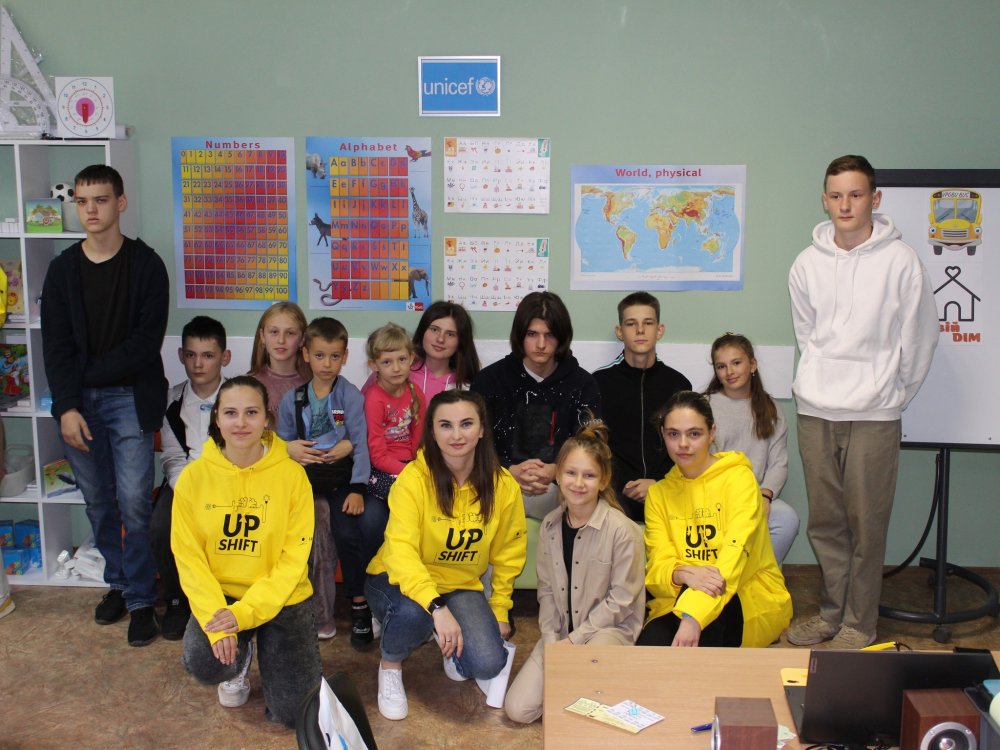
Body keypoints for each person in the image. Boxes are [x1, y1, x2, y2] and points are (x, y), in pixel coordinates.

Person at [786, 155, 938, 649]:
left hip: (875, 414)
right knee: (826, 522)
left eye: (855, 195)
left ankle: (859, 623)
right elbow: (808, 337)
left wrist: (891, 394)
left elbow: (920, 339)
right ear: (824, 200)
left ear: (875, 198)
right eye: (836, 195)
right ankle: (831, 614)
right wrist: (818, 381)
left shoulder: (901, 261)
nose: (845, 205)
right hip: (816, 410)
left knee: (867, 524)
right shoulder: (806, 264)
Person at [40, 164, 168, 646]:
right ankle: (119, 584)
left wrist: (83, 376)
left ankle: (142, 599)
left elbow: (144, 345)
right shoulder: (62, 270)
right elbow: (55, 347)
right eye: (82, 201)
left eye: (100, 199)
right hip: (78, 405)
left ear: (121, 202)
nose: (90, 209)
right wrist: (67, 405)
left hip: (130, 398)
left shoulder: (147, 265)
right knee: (98, 500)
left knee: (134, 502)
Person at [365, 390, 527, 721]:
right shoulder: (413, 479)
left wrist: (500, 609)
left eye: (466, 424)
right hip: (397, 579)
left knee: (488, 663)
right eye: (445, 425)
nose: (456, 435)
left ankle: (449, 643)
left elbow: (509, 552)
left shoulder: (503, 485)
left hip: (460, 584)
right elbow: (401, 551)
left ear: (482, 429)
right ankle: (391, 665)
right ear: (432, 431)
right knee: (415, 613)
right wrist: (436, 607)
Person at [171, 376, 321, 727]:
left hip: (282, 595)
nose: (241, 423)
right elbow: (189, 559)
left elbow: (293, 562)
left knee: (294, 715)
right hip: (223, 594)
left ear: (267, 418)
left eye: (251, 413)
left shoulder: (293, 476)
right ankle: (241, 655)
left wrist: (246, 614)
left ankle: (267, 646)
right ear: (217, 419)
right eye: (231, 413)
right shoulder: (193, 478)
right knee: (206, 664)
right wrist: (219, 621)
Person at [504, 420, 645, 724]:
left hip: (607, 631)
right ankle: (579, 691)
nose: (578, 483)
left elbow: (621, 601)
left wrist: (573, 642)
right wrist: (550, 639)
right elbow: (546, 591)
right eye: (570, 473)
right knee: (518, 709)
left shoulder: (623, 531)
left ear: (604, 481)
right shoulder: (550, 526)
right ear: (558, 476)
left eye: (589, 475)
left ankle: (600, 687)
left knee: (580, 701)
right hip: (563, 632)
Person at [637, 391, 792, 648]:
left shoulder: (739, 479)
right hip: (680, 592)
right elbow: (657, 568)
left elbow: (734, 556)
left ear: (712, 433)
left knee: (700, 645)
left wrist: (693, 616)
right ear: (663, 434)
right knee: (650, 651)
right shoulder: (659, 494)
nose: (683, 444)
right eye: (673, 434)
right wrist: (682, 573)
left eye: (694, 434)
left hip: (743, 590)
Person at [277, 317, 377, 649]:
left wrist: (358, 488)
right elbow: (282, 443)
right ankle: (301, 608)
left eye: (335, 356)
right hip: (305, 481)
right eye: (319, 355)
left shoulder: (349, 396)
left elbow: (360, 442)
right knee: (303, 536)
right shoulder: (293, 399)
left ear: (345, 356)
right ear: (306, 354)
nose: (327, 364)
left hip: (341, 480)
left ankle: (359, 604)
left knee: (347, 533)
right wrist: (291, 451)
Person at [471, 291, 602, 519]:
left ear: (562, 337)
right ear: (519, 335)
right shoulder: (489, 381)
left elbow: (593, 446)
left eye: (549, 335)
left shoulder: (583, 384)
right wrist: (508, 470)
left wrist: (558, 470)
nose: (541, 344)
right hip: (498, 484)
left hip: (564, 488)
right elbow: (472, 443)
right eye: (532, 334)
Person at [150, 315, 231, 640]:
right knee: (161, 528)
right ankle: (176, 601)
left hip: (230, 482)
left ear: (224, 357)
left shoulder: (238, 397)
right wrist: (189, 492)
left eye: (208, 355)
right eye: (191, 355)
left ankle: (224, 598)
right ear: (181, 355)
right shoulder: (172, 400)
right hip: (184, 484)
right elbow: (172, 457)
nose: (198, 364)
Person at [592, 292, 691, 523]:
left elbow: (688, 448)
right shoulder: (598, 383)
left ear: (660, 330)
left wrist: (659, 484)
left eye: (648, 323)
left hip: (667, 490)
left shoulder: (679, 385)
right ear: (620, 331)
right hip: (615, 496)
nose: (640, 330)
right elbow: (593, 447)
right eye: (631, 324)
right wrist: (618, 486)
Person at [705, 333, 800, 564]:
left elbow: (778, 463)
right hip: (712, 495)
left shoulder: (772, 409)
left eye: (736, 363)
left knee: (787, 519)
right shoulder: (704, 405)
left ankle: (758, 575)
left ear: (753, 364)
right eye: (721, 366)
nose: (729, 372)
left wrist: (765, 496)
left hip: (755, 495)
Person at [362, 300, 481, 398]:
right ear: (422, 331)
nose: (440, 339)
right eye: (434, 329)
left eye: (450, 334)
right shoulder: (390, 373)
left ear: (461, 341)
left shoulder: (468, 387)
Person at [363, 323, 426, 506]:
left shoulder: (415, 392)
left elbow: (419, 438)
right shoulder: (374, 400)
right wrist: (409, 472)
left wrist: (418, 466)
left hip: (410, 462)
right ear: (374, 365)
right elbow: (377, 455)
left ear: (411, 358)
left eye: (402, 359)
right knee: (407, 494)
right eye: (387, 362)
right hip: (382, 466)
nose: (396, 368)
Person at [247, 301, 310, 421]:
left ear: (302, 339)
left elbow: (337, 421)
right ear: (262, 336)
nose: (281, 340)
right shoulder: (246, 385)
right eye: (274, 332)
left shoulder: (316, 384)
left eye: (290, 333)